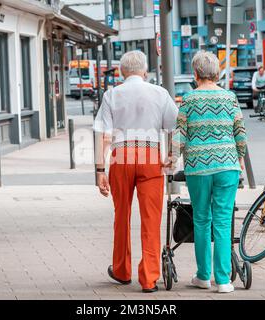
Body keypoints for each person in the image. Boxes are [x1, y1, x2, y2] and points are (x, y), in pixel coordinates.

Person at [93, 51, 178, 293]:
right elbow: (176, 127)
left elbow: (104, 136)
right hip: (150, 157)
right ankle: (149, 278)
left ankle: (121, 270)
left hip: (121, 158)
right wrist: (172, 157)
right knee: (151, 219)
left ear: (121, 72)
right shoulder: (160, 93)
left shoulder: (112, 95)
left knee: (121, 215)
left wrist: (100, 170)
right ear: (144, 72)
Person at [168, 51, 247, 294]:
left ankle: (203, 276)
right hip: (227, 166)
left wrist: (171, 160)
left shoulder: (189, 99)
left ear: (195, 73)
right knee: (223, 222)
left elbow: (179, 135)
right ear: (217, 73)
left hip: (198, 167)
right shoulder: (230, 97)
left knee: (201, 220)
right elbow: (240, 131)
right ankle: (223, 280)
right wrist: (240, 158)